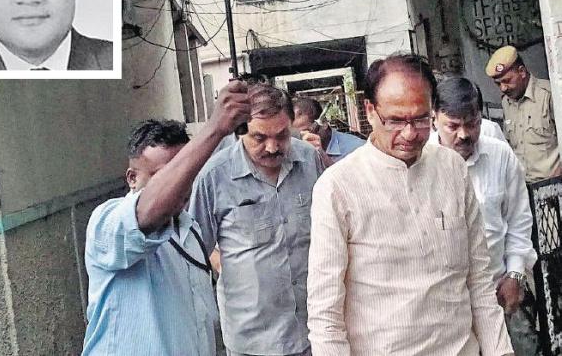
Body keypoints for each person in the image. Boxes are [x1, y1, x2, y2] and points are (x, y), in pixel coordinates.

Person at [307, 54, 513, 355]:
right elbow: (326, 312)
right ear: (370, 111)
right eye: (395, 120)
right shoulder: (337, 187)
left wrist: (501, 351)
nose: (409, 133)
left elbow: (479, 280)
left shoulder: (453, 169)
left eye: (420, 119)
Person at [82, 81, 251, 356]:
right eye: (165, 175)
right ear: (132, 178)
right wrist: (215, 128)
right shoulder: (106, 222)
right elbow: (148, 213)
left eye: (185, 173)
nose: (181, 184)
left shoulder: (189, 229)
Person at [189, 83, 324, 356]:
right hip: (252, 341)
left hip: (315, 330)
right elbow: (194, 252)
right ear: (240, 131)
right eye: (259, 138)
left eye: (282, 135)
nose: (273, 147)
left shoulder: (310, 160)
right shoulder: (214, 176)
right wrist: (224, 264)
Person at [431, 77, 540, 355]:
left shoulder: (500, 155)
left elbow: (518, 220)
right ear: (434, 119)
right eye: (453, 126)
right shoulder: (421, 164)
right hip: (444, 309)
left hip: (499, 295)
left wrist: (516, 274)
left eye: (472, 123)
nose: (464, 134)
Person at [486, 45, 561, 183]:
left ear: (522, 72)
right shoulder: (506, 103)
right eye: (498, 84)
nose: (503, 88)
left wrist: (554, 183)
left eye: (507, 81)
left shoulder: (549, 95)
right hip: (523, 188)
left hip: (554, 185)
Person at [292, 97, 365, 165]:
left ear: (324, 124)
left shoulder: (357, 149)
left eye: (306, 132)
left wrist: (323, 157)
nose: (302, 140)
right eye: (297, 135)